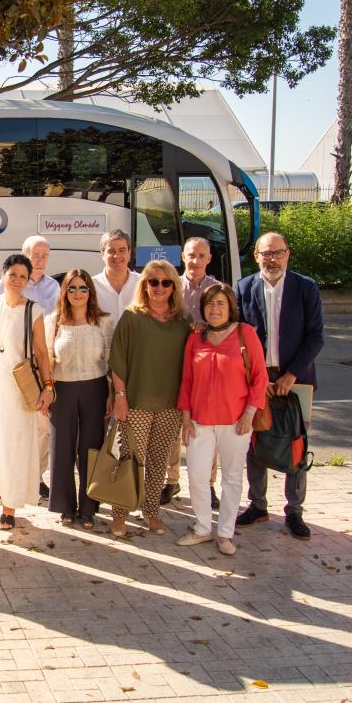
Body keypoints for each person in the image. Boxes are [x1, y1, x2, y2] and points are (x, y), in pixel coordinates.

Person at [235, 232, 325, 540]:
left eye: (278, 253)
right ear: (256, 256)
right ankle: (257, 505)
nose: (272, 259)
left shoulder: (306, 287)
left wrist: (290, 376)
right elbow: (240, 337)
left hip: (296, 380)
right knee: (254, 442)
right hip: (258, 379)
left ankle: (294, 512)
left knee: (295, 443)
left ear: (287, 254)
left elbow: (316, 336)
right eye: (266, 253)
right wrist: (262, 378)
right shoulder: (244, 288)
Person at [176, 284, 268, 556]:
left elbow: (260, 378)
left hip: (235, 421)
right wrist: (185, 417)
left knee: (231, 478)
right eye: (210, 304)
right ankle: (203, 528)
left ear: (230, 307)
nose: (215, 309)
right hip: (199, 422)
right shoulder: (196, 338)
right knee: (196, 476)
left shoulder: (245, 334)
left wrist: (250, 414)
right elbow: (187, 381)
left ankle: (225, 533)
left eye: (220, 304)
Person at [109, 260, 189, 537]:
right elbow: (118, 360)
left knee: (158, 460)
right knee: (130, 459)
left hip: (170, 404)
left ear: (173, 286)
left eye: (166, 282)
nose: (159, 287)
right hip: (137, 403)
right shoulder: (132, 317)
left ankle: (152, 511)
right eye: (152, 281)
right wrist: (120, 396)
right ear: (144, 284)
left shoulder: (184, 320)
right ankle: (120, 513)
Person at [44, 268, 109, 529]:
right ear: (65, 292)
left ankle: (89, 508)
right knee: (62, 448)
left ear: (90, 292)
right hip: (63, 389)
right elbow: (47, 357)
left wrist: (114, 395)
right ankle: (66, 507)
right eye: (72, 288)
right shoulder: (54, 321)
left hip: (96, 388)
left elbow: (111, 358)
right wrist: (47, 389)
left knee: (90, 449)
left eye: (83, 288)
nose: (78, 293)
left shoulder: (104, 321)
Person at [0, 254, 55, 530]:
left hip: (19, 389)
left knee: (16, 446)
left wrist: (48, 386)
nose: (17, 280)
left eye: (23, 276)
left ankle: (10, 506)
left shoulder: (34, 310)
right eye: (13, 274)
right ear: (3, 274)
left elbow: (42, 353)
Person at [170, 236, 222, 508]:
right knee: (172, 429)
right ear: (183, 257)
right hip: (173, 365)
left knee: (204, 430)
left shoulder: (218, 290)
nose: (196, 260)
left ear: (209, 258)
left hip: (205, 369)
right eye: (191, 255)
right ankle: (171, 480)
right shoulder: (171, 286)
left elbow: (227, 325)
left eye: (201, 256)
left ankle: (208, 485)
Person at [93, 230, 140, 321]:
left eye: (122, 250)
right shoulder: (92, 286)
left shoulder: (143, 283)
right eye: (111, 251)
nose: (117, 256)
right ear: (103, 254)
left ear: (129, 252)